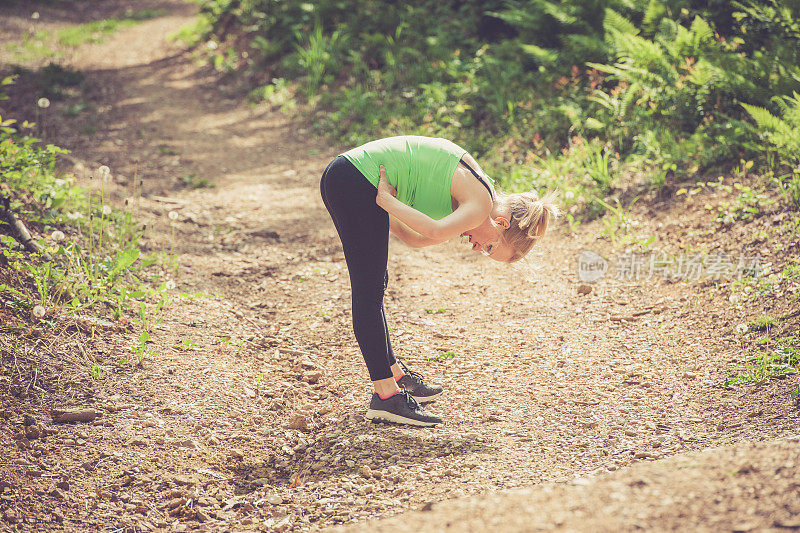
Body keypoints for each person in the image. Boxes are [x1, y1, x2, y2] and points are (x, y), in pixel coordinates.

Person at [319, 136, 558, 426]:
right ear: (502, 224)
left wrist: (384, 207)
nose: (476, 248)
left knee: (375, 284)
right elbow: (432, 231)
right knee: (368, 292)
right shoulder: (480, 205)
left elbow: (415, 239)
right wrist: (384, 201)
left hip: (354, 178)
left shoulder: (478, 201)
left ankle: (393, 375)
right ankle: (385, 397)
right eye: (489, 247)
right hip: (354, 179)